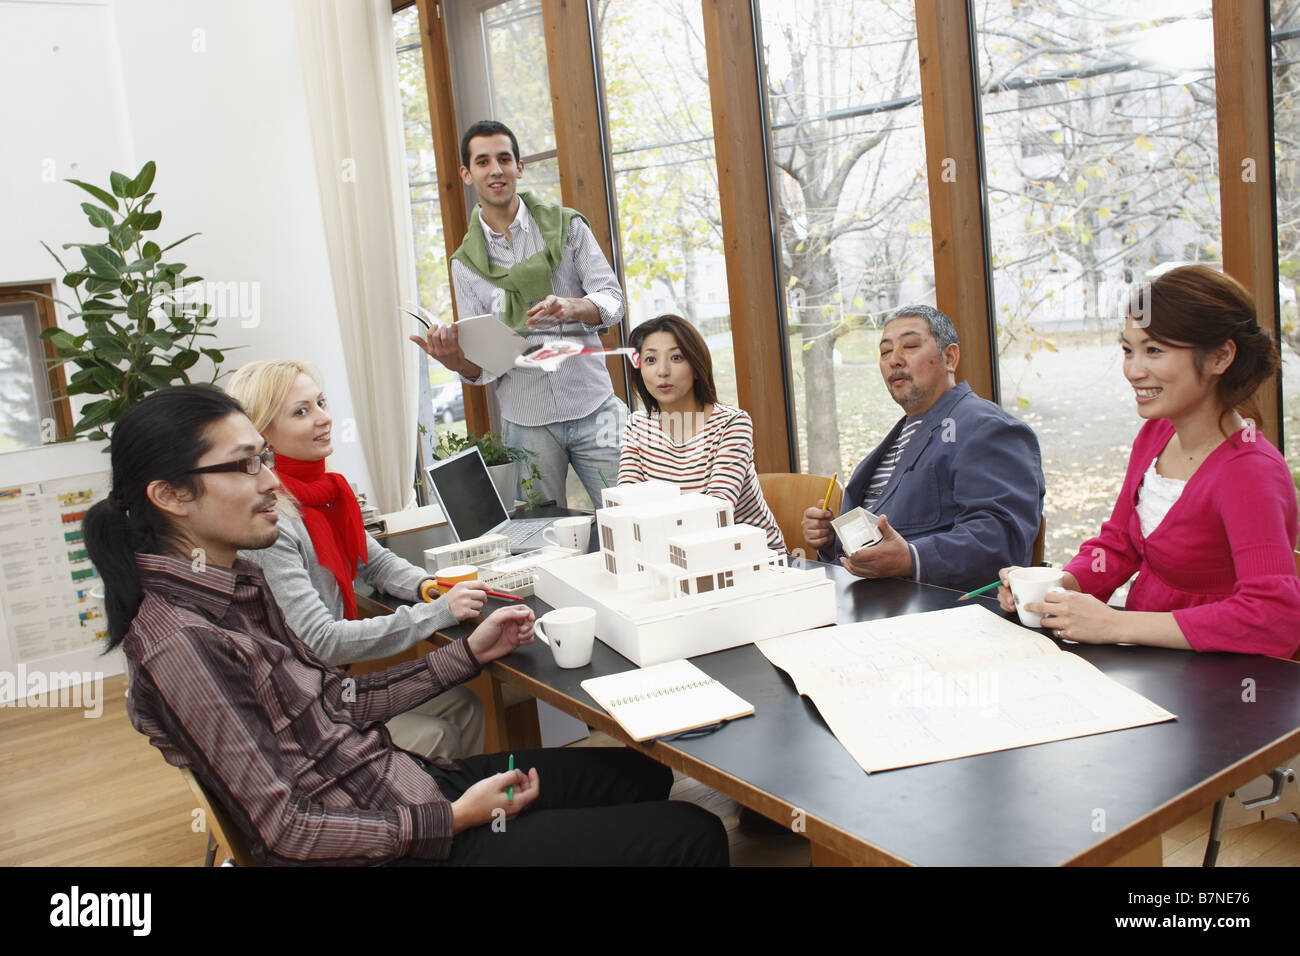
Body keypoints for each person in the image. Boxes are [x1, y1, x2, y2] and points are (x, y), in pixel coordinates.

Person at [83, 385, 728, 865]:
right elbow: (285, 830)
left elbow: (337, 698)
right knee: (693, 836)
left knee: (640, 774)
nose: (271, 483)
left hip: (397, 784)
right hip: (402, 841)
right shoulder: (181, 642)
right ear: (169, 496)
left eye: (265, 460)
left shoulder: (237, 583)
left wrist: (466, 654)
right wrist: (451, 819)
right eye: (246, 465)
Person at [998, 265, 1300, 657]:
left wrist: (1115, 624)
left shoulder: (1250, 472)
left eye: (1154, 350)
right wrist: (1058, 587)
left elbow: (1273, 617)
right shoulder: (1156, 435)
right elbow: (1120, 546)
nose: (1133, 370)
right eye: (1128, 349)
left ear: (1220, 357)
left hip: (1221, 685)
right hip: (1153, 666)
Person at [226, 360, 484, 759]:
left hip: (328, 687)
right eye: (301, 411)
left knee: (466, 706)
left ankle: (461, 812)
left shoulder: (327, 492)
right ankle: (427, 811)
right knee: (437, 731)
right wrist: (438, 613)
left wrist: (427, 587)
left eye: (321, 403)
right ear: (262, 436)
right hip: (301, 710)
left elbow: (375, 562)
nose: (324, 418)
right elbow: (322, 641)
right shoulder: (269, 523)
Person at [411, 120, 626, 509]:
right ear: (467, 173)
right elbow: (484, 363)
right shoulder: (465, 265)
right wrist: (456, 359)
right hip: (527, 426)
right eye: (483, 161)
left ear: (519, 167)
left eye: (504, 159)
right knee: (541, 538)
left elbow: (612, 299)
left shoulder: (567, 226)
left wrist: (573, 306)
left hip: (596, 408)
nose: (496, 170)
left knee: (634, 521)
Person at [802, 304, 1044, 593]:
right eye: (885, 352)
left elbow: (1001, 539)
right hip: (873, 602)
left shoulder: (987, 427)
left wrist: (912, 559)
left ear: (950, 357)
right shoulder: (905, 432)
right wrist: (832, 542)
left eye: (911, 346)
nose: (894, 360)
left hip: (944, 612)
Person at [617, 314, 785, 550]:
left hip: (750, 555)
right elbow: (627, 503)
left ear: (696, 367)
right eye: (651, 359)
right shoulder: (637, 425)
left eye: (676, 357)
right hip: (673, 555)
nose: (662, 371)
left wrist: (652, 523)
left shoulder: (732, 423)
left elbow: (715, 510)